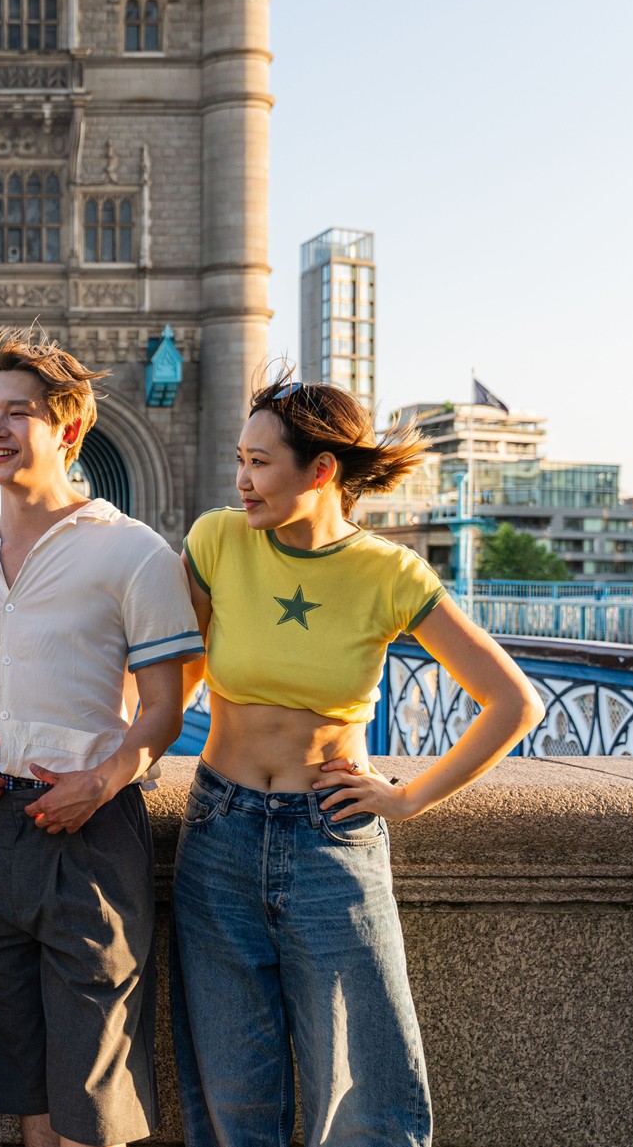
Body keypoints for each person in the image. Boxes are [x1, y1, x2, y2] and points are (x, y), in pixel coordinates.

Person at [171, 374, 545, 1147]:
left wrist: (408, 798)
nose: (242, 480)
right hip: (217, 832)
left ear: (321, 471)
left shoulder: (389, 573)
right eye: (240, 460)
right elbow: (173, 680)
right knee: (234, 1099)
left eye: (261, 463)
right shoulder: (215, 541)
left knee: (364, 1097)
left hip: (329, 840)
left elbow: (512, 702)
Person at [0, 331, 202, 1147]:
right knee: (31, 1095)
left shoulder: (135, 552)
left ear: (69, 432)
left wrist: (105, 781)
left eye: (18, 413)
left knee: (93, 1098)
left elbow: (164, 709)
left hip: (87, 832)